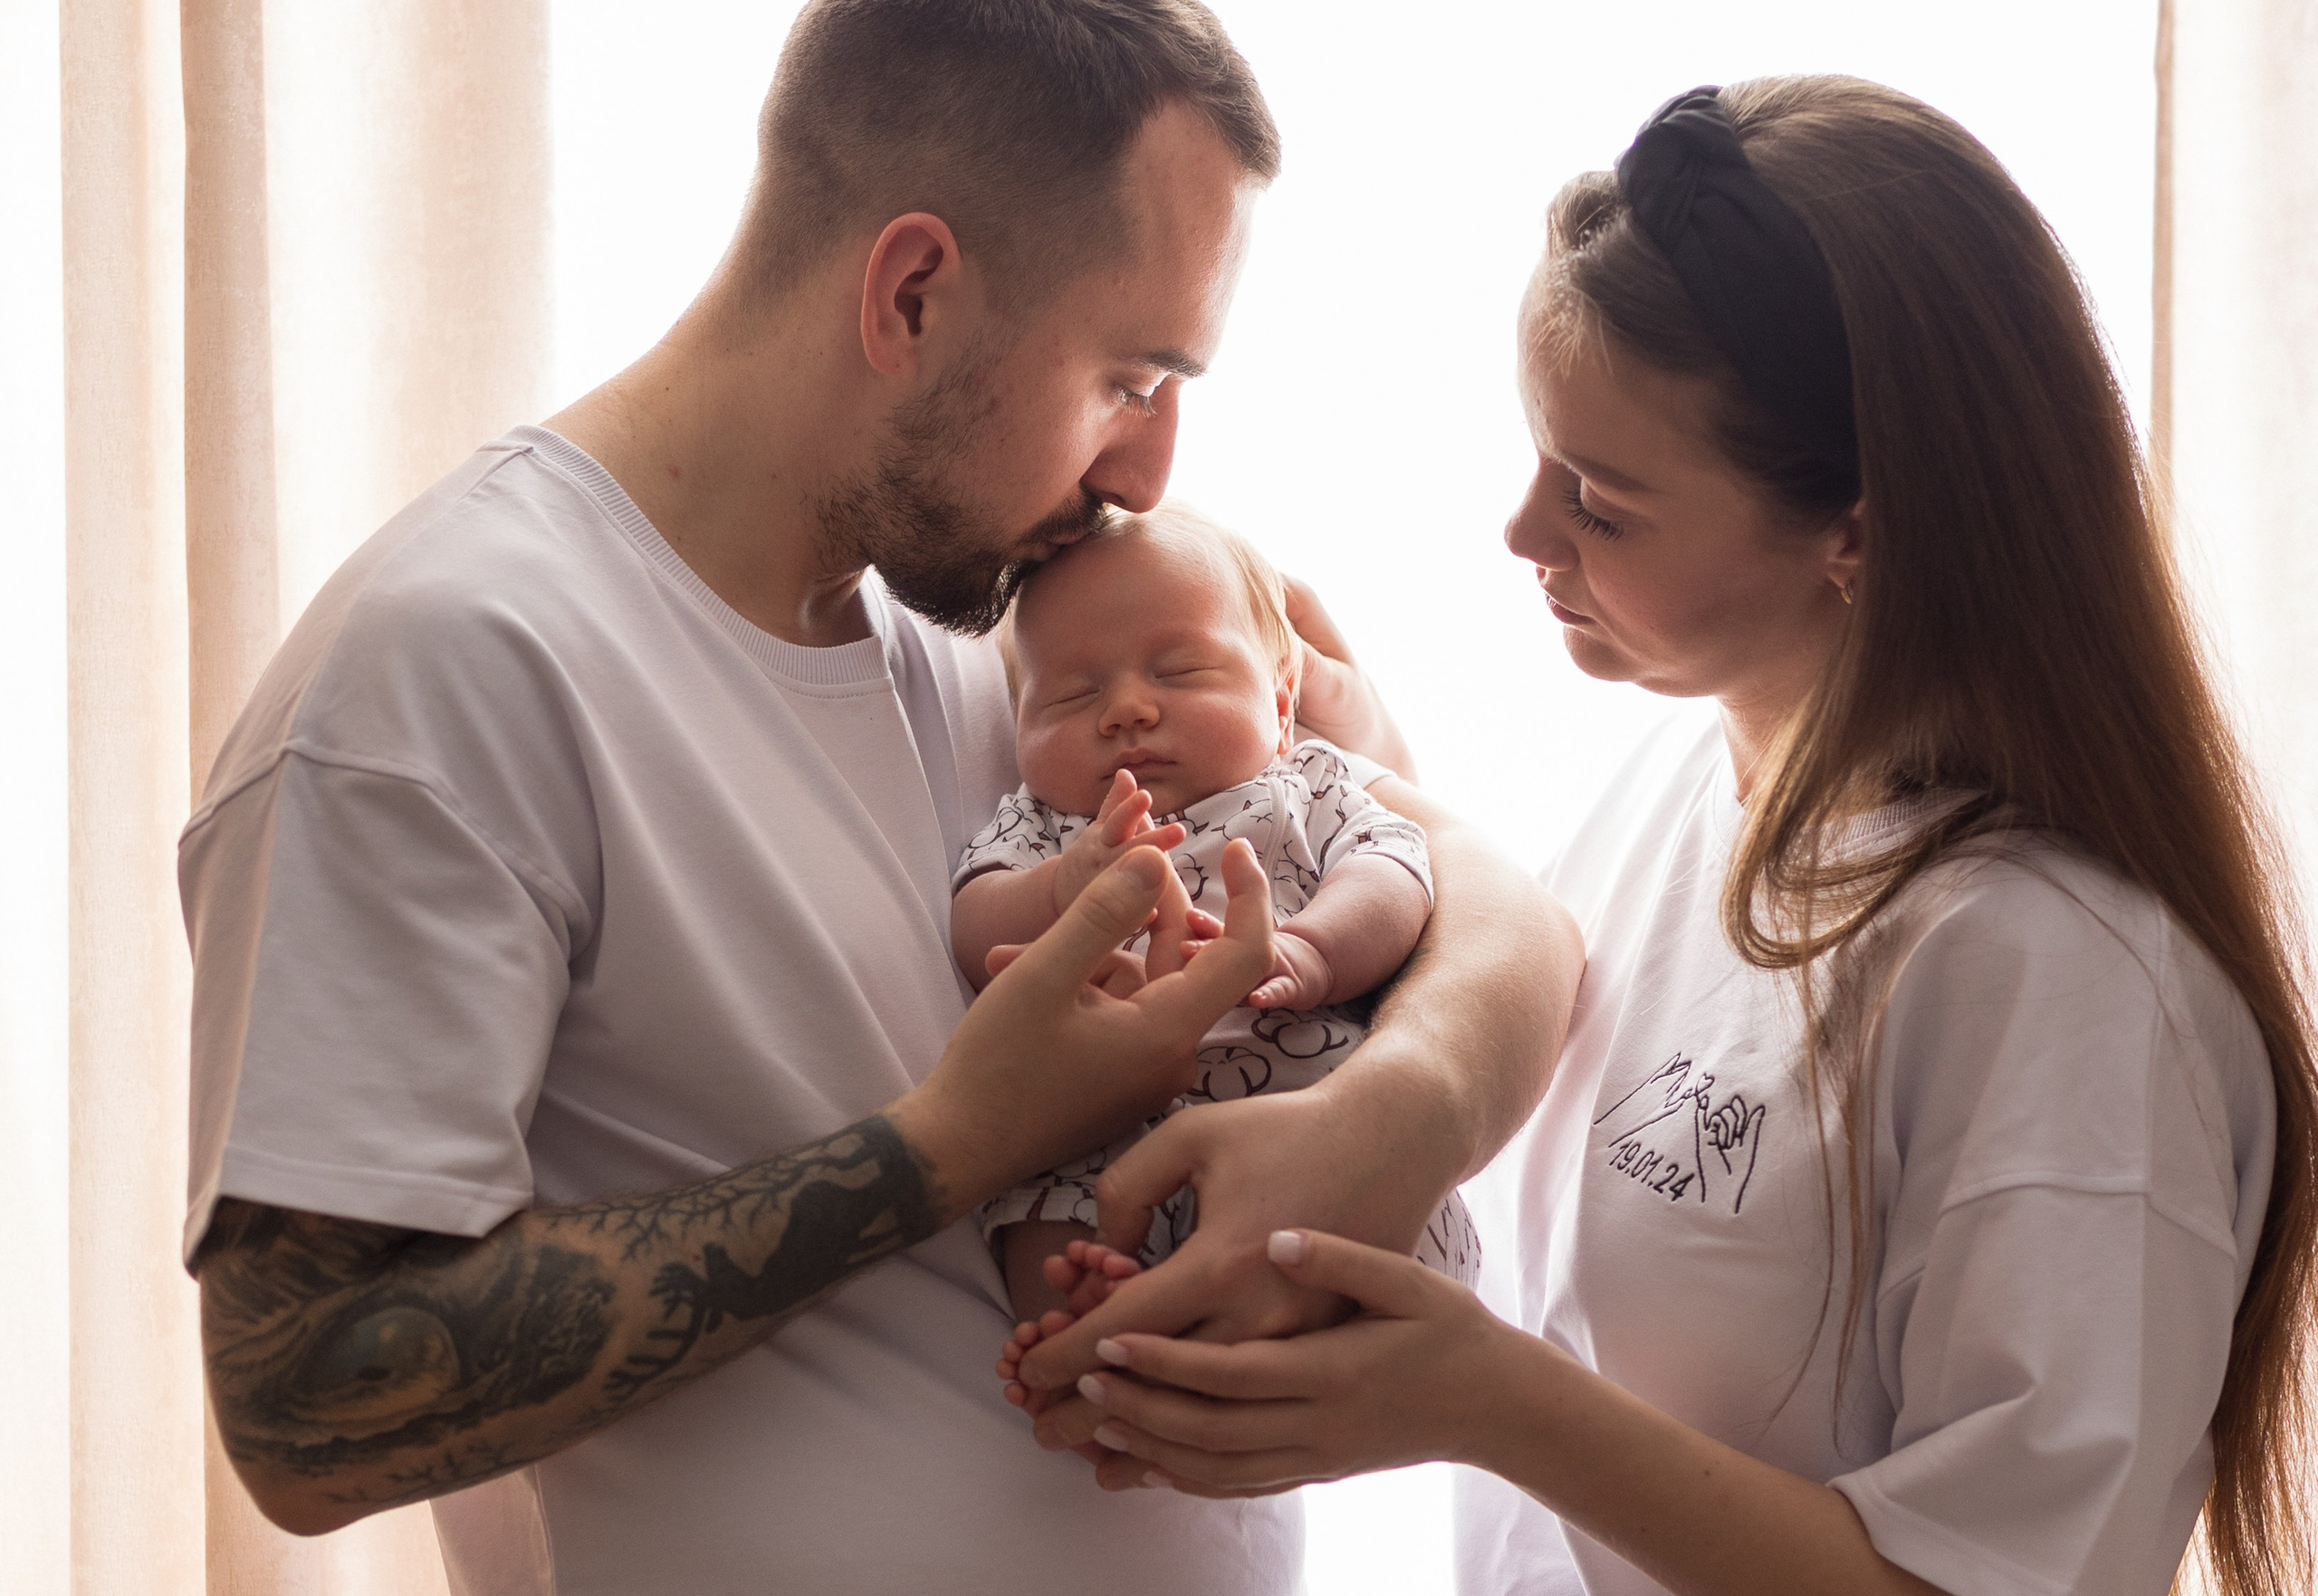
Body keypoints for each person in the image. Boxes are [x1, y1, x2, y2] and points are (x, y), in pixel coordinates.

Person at [177, 4, 1579, 1594]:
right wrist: (949, 1144)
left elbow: (1490, 891)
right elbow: (307, 1401)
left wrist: (1396, 1117)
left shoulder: (1023, 618)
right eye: (1132, 374)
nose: (1150, 469)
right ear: (913, 293)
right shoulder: (449, 675)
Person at [1016, 78, 2318, 1596]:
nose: (1522, 533)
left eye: (1604, 501)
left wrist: (1481, 1397)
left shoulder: (2067, 987)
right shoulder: (1672, 799)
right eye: (1541, 458)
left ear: (1859, 531)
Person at [948, 505, 1478, 1352]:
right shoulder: (1044, 827)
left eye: (1180, 671)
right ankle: (1093, 1322)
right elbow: (975, 919)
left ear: (1279, 701)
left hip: (1307, 1118)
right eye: (1070, 694)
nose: (1124, 710)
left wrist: (1315, 949)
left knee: (1374, 1204)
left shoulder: (1307, 782)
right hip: (1102, 1133)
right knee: (1037, 1203)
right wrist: (1060, 890)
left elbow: (1394, 870)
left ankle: (1339, 1334)